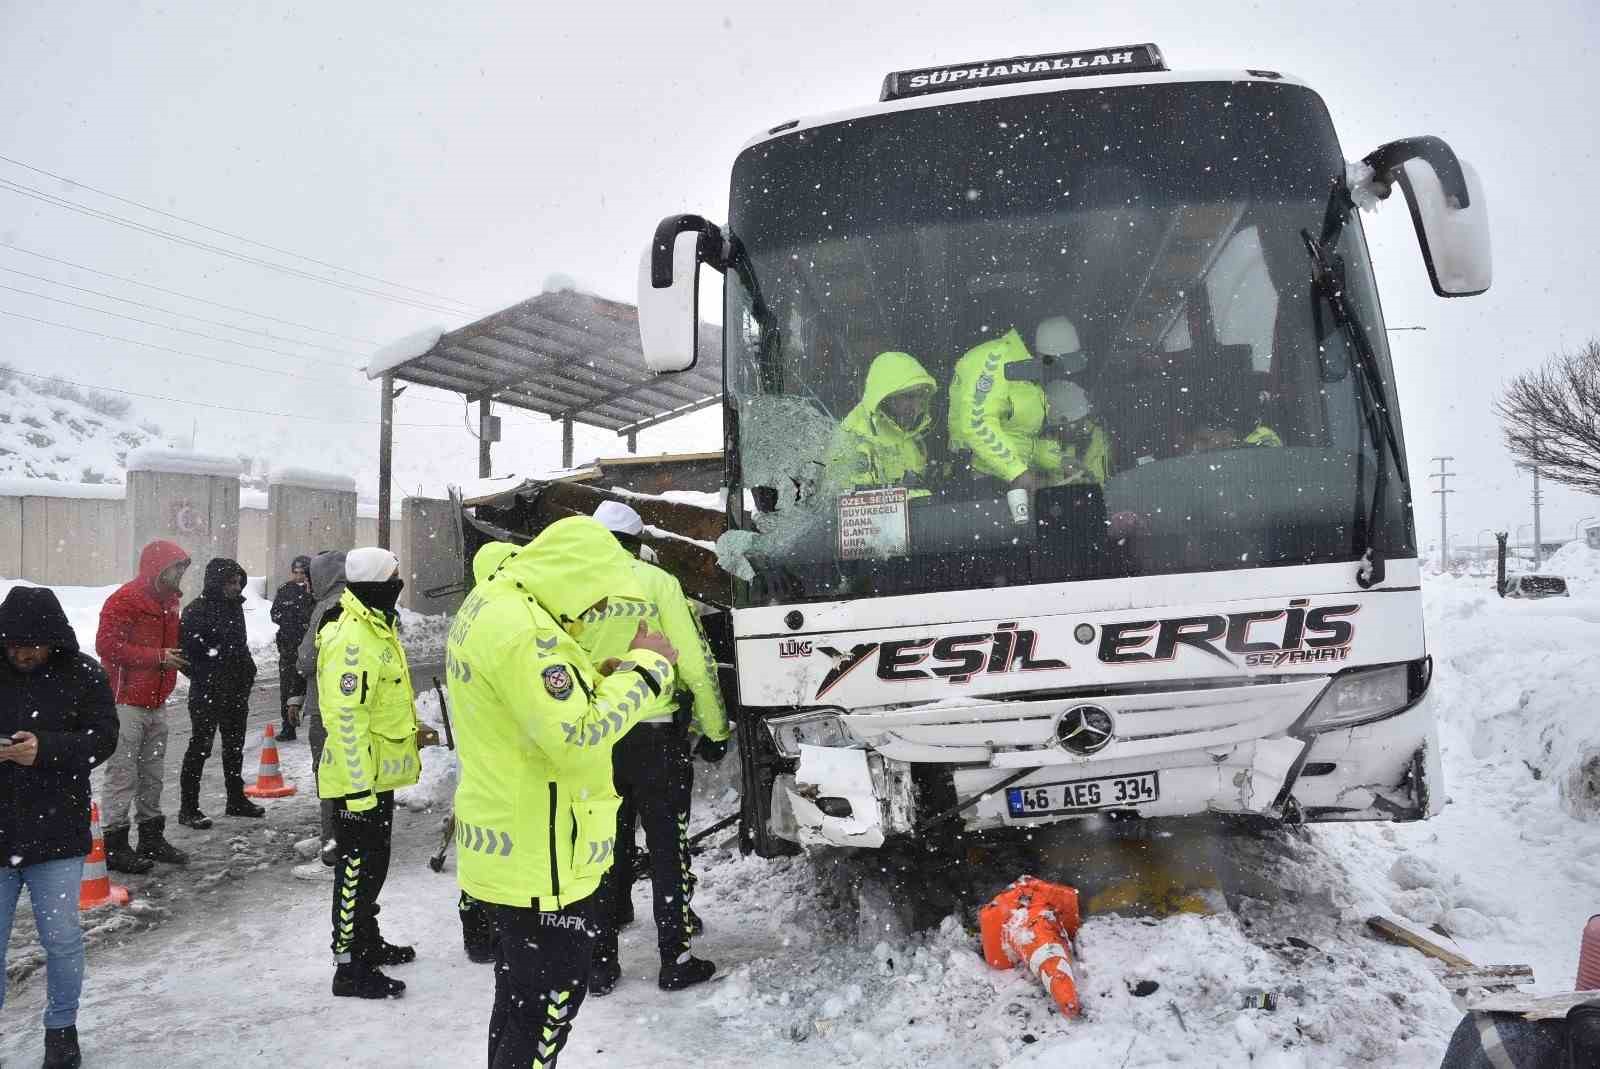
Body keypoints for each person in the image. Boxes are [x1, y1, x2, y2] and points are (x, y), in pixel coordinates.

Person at [449, 516, 679, 1068]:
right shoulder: (527, 632)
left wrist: (593, 679)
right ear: (576, 575)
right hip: (543, 854)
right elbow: (577, 737)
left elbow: (532, 709)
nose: (595, 613)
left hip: (511, 841)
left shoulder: (498, 605)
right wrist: (648, 668)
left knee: (517, 999)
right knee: (548, 1003)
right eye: (596, 600)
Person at [588, 501, 730, 997]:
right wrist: (715, 728)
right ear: (636, 539)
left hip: (595, 739)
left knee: (602, 848)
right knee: (669, 847)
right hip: (655, 734)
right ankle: (676, 956)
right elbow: (694, 661)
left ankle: (600, 962)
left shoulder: (572, 587)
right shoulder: (658, 583)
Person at [1, 585, 120, 1069]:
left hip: (56, 835)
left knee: (62, 939)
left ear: (54, 639)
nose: (23, 652)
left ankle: (61, 1030)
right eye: (13, 644)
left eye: (33, 644)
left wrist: (45, 750)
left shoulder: (83, 674)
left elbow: (104, 739)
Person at [316, 547, 432, 998]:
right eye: (395, 577)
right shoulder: (353, 638)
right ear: (377, 583)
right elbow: (346, 720)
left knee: (373, 867)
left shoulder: (375, 627)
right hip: (356, 782)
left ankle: (367, 940)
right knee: (354, 873)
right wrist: (360, 792)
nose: (400, 583)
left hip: (375, 777)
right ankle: (349, 967)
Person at [94, 539, 191, 873]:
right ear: (159, 567)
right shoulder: (124, 599)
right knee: (122, 772)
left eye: (182, 567)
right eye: (177, 567)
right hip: (126, 702)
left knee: (152, 772)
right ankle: (115, 844)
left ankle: (151, 837)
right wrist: (158, 659)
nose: (181, 573)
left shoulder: (171, 602)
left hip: (156, 700)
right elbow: (106, 646)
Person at [455, 540, 521, 966]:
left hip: (480, 745)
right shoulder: (505, 619)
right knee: (502, 842)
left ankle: (477, 925)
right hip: (502, 748)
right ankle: (490, 927)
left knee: (480, 839)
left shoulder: (472, 614)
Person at [177, 558, 262, 828]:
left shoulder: (234, 608)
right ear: (217, 583)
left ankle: (236, 799)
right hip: (208, 692)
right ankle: (188, 808)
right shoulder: (195, 612)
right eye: (231, 583)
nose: (237, 588)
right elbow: (187, 657)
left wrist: (247, 671)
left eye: (238, 582)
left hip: (236, 691)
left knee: (234, 747)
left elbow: (239, 646)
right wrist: (208, 679)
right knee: (200, 747)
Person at [948, 327, 1083, 492]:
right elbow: (977, 422)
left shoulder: (1030, 368)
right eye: (1057, 363)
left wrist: (1057, 461)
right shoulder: (994, 358)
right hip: (980, 484)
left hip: (1008, 483)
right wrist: (1016, 471)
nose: (1057, 371)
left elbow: (1018, 438)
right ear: (1048, 352)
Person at [292, 550, 347, 872]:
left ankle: (333, 844)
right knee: (354, 776)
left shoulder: (326, 608)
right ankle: (354, 837)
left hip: (327, 707)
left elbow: (306, 659)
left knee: (329, 778)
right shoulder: (360, 603)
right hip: (353, 708)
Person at [823, 350, 938, 497]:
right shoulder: (855, 438)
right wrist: (921, 496)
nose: (916, 406)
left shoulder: (910, 433)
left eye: (920, 396)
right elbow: (855, 502)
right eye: (909, 397)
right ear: (886, 397)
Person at [270, 555, 315, 741]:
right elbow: (275, 614)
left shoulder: (315, 592)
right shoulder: (285, 590)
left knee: (311, 687)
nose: (298, 577)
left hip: (309, 647)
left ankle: (316, 724)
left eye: (302, 573)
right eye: (295, 573)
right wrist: (289, 619)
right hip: (289, 648)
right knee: (287, 688)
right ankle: (288, 727)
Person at [1041, 380, 1112, 486]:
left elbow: (1102, 482)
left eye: (1082, 420)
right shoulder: (1040, 449)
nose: (1081, 426)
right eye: (1075, 423)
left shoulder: (1096, 437)